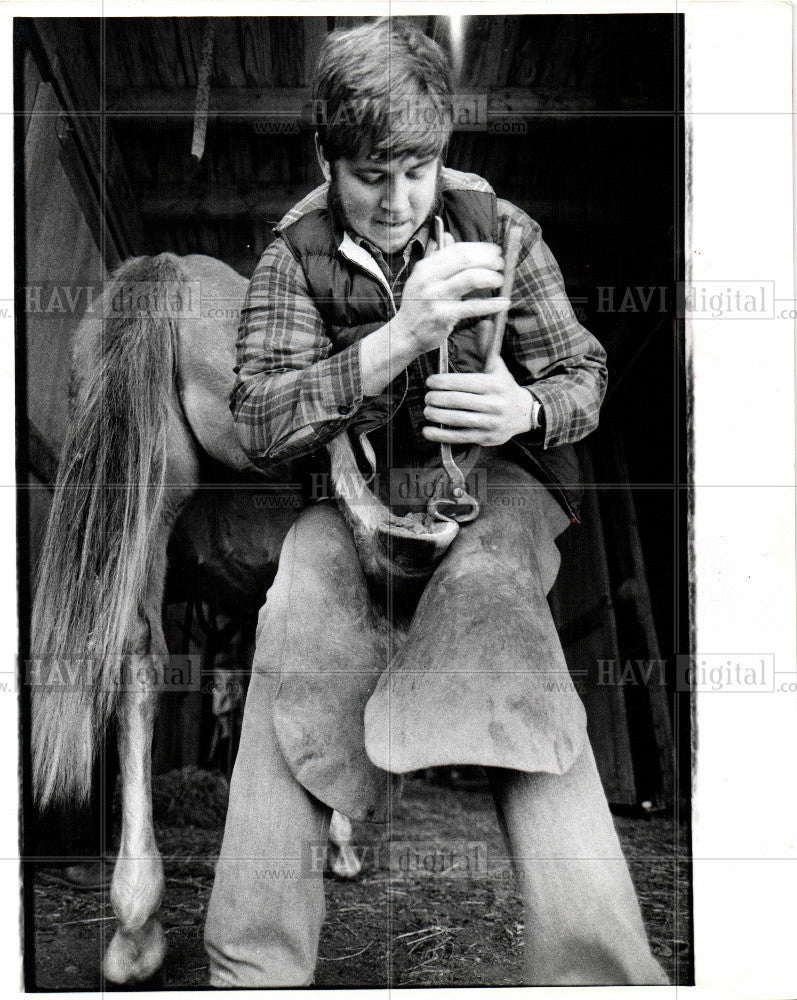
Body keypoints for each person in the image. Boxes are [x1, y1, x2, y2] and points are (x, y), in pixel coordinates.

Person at [204, 17, 668, 988]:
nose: (398, 199)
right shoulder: (294, 255)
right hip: (356, 496)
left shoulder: (500, 229)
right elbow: (256, 422)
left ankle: (600, 974)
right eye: (371, 174)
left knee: (501, 618)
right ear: (325, 155)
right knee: (294, 613)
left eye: (417, 171)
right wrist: (396, 339)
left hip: (488, 493)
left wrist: (524, 405)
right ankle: (253, 967)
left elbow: (583, 374)